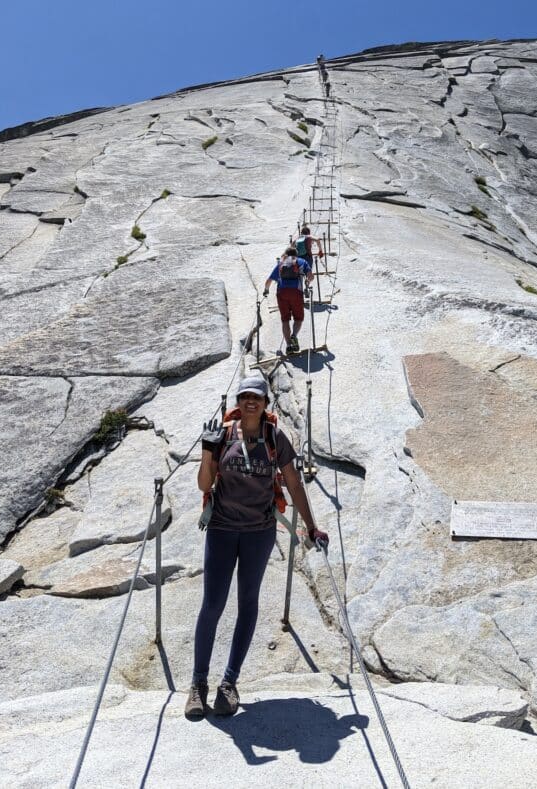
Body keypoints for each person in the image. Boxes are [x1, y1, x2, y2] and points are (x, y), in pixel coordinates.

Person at [185, 375, 329, 720]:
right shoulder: (222, 435)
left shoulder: (274, 436)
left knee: (248, 603)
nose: (251, 402)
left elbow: (292, 481)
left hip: (259, 531)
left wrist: (310, 525)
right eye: (246, 396)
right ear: (238, 401)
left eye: (258, 397)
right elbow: (205, 483)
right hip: (221, 527)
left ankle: (229, 683)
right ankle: (198, 685)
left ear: (266, 404)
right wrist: (207, 453)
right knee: (213, 605)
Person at [263, 247, 313, 353]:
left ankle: (289, 345)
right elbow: (311, 276)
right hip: (296, 292)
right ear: (296, 254)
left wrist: (266, 291)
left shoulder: (281, 263)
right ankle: (294, 335)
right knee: (298, 318)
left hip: (282, 293)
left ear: (286, 254)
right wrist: (307, 283)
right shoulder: (301, 261)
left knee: (285, 320)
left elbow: (268, 281)